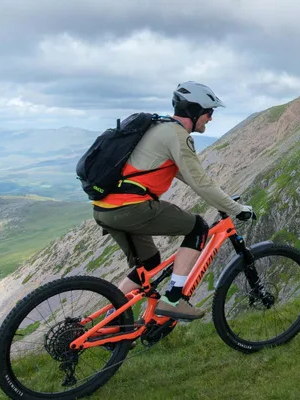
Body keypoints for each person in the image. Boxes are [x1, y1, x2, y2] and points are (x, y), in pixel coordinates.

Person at [92, 81, 256, 320]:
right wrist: (236, 209)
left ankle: (109, 319)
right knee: (198, 227)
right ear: (194, 110)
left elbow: (187, 175)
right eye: (209, 112)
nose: (210, 118)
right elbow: (201, 183)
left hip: (105, 208)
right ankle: (173, 299)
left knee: (149, 265)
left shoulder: (159, 127)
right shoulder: (178, 136)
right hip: (130, 208)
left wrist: (217, 195)